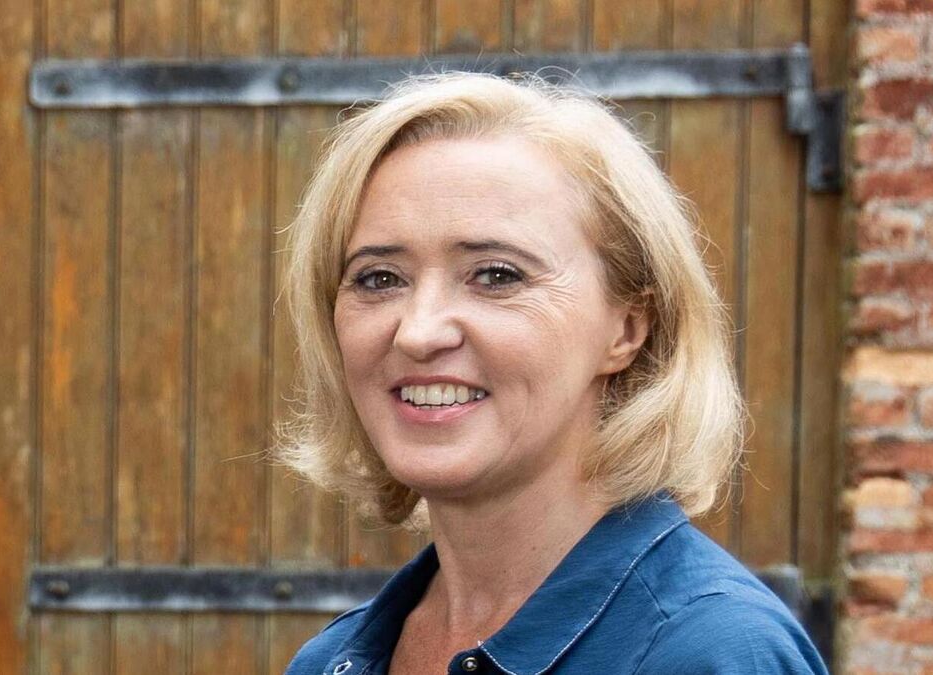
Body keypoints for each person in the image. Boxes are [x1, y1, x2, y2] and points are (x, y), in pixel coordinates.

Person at [278, 71, 827, 674]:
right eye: (379, 278)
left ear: (626, 330)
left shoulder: (711, 654)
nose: (418, 331)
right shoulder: (331, 662)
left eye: (497, 275)